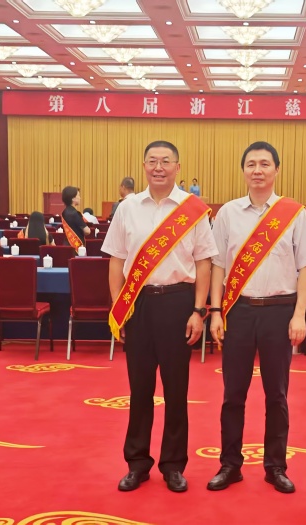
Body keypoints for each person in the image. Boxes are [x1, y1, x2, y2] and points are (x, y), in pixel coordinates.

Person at [207, 141, 306, 494]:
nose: (257, 170)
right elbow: (217, 266)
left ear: (276, 170)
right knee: (233, 394)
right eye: (251, 164)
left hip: (279, 311)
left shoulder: (293, 213)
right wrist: (216, 311)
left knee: (277, 395)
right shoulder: (227, 214)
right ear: (243, 170)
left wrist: (299, 315)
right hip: (238, 311)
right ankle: (230, 465)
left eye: (264, 164)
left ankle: (276, 467)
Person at [102, 140, 217, 494]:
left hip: (178, 303)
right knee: (139, 389)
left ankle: (173, 465)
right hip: (138, 305)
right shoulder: (127, 208)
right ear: (144, 166)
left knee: (176, 390)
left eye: (166, 161)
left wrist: (199, 310)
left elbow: (204, 262)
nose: (158, 167)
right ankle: (137, 463)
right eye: (152, 160)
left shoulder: (193, 210)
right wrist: (119, 308)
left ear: (177, 168)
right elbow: (116, 260)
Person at [61, 186, 90, 250]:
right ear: (73, 199)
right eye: (78, 196)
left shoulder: (64, 212)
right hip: (76, 247)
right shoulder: (75, 214)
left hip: (66, 245)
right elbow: (87, 231)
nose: (80, 198)